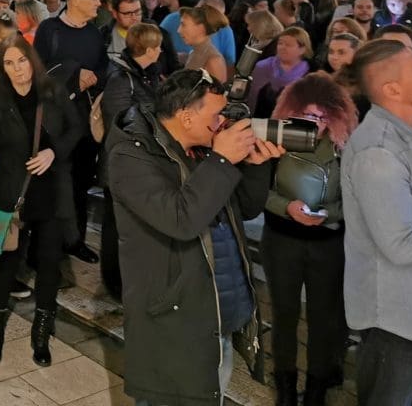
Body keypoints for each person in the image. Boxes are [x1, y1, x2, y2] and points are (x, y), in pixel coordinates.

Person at [109, 69, 285, 406]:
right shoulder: (132, 156)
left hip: (215, 322)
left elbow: (244, 209)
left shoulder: (201, 149)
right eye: (216, 115)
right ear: (187, 117)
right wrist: (222, 159)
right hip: (173, 327)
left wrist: (257, 165)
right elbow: (181, 220)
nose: (224, 123)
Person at [0, 36, 80, 366]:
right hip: (10, 191)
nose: (18, 69)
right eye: (9, 63)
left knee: (48, 263)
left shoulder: (52, 91)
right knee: (5, 264)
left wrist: (53, 152)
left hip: (50, 192)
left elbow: (76, 128)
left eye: (22, 61)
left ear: (31, 60)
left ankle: (41, 332)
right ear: (1, 68)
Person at [261, 73, 357, 406]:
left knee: (322, 319)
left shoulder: (345, 149)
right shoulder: (278, 141)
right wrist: (286, 206)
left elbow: (354, 201)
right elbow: (259, 190)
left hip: (326, 244)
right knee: (284, 315)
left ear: (333, 117)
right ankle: (285, 388)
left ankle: (316, 389)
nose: (311, 122)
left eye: (318, 116)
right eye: (305, 114)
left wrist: (327, 215)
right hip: (281, 238)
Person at [339, 40, 412, 404]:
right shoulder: (378, 153)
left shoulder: (401, 138)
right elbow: (401, 245)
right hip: (395, 323)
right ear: (392, 89)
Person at [33, 0, 107, 263]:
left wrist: (94, 77)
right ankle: (44, 245)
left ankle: (74, 240)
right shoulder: (49, 29)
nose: (99, 3)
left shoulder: (94, 33)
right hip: (55, 123)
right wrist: (74, 74)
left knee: (80, 182)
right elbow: (39, 70)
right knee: (53, 183)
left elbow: (102, 66)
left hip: (86, 123)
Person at [99, 23, 163, 301]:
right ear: (148, 49)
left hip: (138, 164)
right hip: (121, 166)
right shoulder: (121, 77)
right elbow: (121, 121)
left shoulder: (144, 74)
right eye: (158, 46)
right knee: (117, 226)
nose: (161, 50)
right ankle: (115, 282)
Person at [248, 27, 313, 117]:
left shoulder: (310, 75)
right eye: (280, 43)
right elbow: (251, 98)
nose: (282, 47)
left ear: (302, 49)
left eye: (288, 45)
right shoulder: (262, 67)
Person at [179, 5, 229, 82]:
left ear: (201, 28)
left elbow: (216, 93)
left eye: (183, 25)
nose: (178, 30)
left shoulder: (213, 60)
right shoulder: (194, 53)